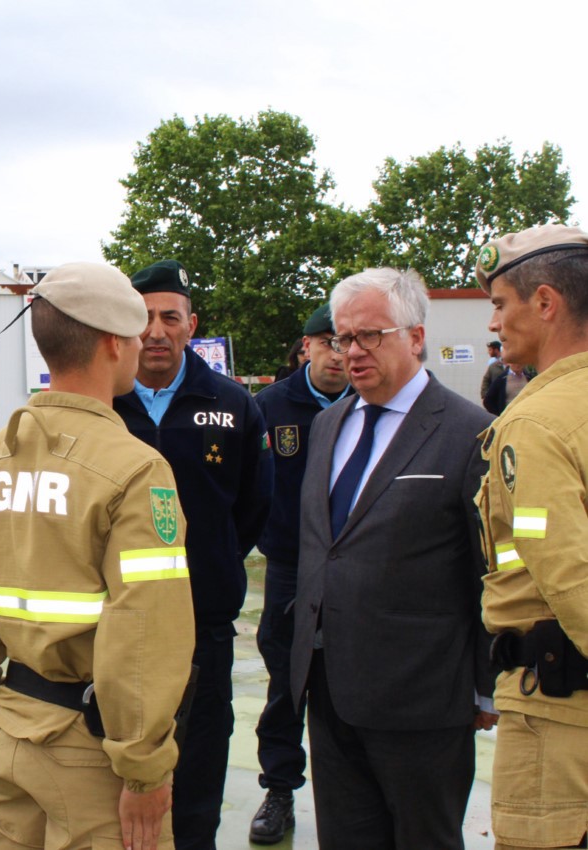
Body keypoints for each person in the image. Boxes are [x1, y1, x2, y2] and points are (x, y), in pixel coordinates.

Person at [0, 261, 195, 849]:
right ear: (111, 344)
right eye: (133, 334)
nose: (141, 345)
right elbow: (144, 630)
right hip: (92, 752)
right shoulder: (135, 469)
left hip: (9, 732)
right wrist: (144, 762)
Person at [289, 267, 496, 850]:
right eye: (341, 337)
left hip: (423, 699)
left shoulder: (469, 432)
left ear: (415, 335)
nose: (351, 352)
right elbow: (320, 546)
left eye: (369, 336)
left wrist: (485, 687)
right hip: (329, 690)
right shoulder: (329, 425)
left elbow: (489, 570)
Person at [111, 258, 273, 850]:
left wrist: (214, 561)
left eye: (169, 318)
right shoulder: (104, 405)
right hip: (114, 628)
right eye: (144, 317)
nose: (156, 331)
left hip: (203, 628)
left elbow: (253, 506)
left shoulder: (233, 405)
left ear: (191, 324)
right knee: (116, 789)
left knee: (198, 779)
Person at [473, 224, 588, 850]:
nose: (495, 324)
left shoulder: (538, 422)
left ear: (545, 303)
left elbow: (568, 575)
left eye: (499, 303)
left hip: (559, 720)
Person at [247, 304, 350, 844]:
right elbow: (248, 489)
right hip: (289, 567)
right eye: (327, 341)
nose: (339, 353)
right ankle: (279, 790)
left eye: (347, 341)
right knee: (287, 684)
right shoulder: (268, 406)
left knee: (351, 682)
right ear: (305, 346)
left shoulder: (368, 403)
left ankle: (352, 796)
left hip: (355, 569)